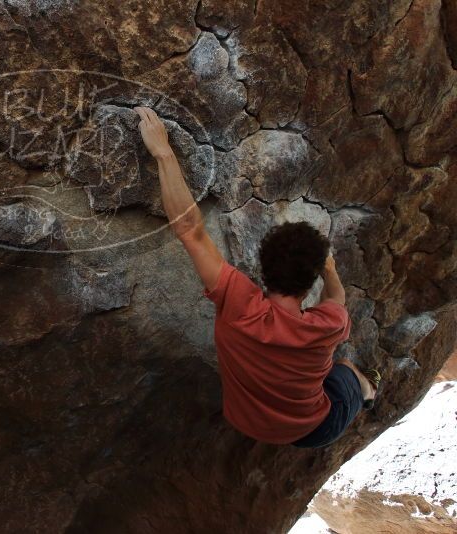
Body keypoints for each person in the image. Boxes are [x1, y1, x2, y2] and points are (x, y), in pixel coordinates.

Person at [134, 106, 381, 448]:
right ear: (310, 282)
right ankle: (369, 392)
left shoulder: (239, 305)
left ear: (262, 268)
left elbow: (190, 230)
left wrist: (162, 151)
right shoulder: (328, 326)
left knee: (338, 369)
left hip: (248, 423)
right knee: (348, 370)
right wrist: (330, 270)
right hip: (314, 430)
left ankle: (365, 389)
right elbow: (335, 301)